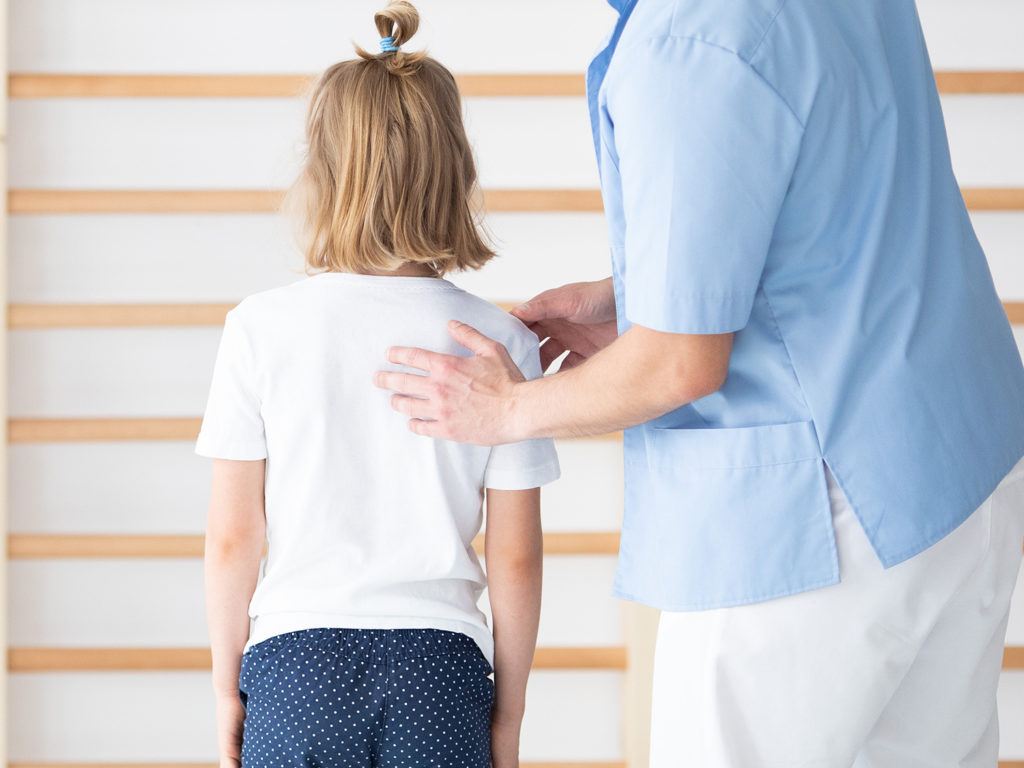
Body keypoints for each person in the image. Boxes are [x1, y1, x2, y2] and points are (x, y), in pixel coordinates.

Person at [374, 0, 1024, 765]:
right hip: (960, 467)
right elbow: (834, 191)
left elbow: (679, 364)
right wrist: (656, 294)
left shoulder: (685, 41)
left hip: (819, 527)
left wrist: (509, 407)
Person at [198, 4, 560, 767]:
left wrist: (227, 690)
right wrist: (512, 711)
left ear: (319, 174)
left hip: (296, 668)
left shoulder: (259, 329)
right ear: (456, 172)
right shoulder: (502, 342)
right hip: (442, 670)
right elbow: (516, 558)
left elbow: (235, 538)